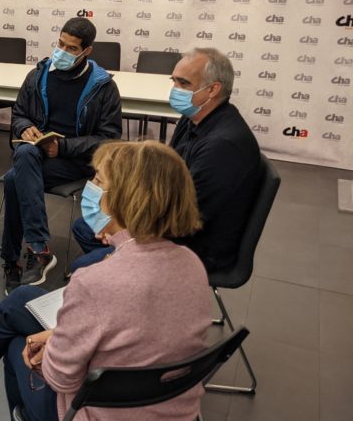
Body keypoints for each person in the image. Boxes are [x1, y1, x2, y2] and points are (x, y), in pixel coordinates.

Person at [0, 140, 211, 421]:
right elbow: (140, 331)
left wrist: (52, 348)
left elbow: (60, 379)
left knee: (16, 344)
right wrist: (62, 337)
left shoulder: (96, 282)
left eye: (98, 180)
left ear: (125, 199)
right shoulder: (192, 265)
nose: (90, 188)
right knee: (23, 299)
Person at [71, 48, 261, 274]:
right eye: (174, 81)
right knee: (86, 226)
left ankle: (134, 278)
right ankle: (128, 278)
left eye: (184, 83)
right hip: (177, 221)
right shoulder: (194, 119)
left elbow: (186, 217)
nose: (175, 90)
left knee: (81, 265)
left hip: (197, 247)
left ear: (213, 89)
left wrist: (124, 230)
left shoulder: (223, 146)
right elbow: (165, 179)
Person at [1, 17, 122, 294]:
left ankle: (16, 258)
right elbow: (19, 114)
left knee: (14, 179)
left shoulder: (103, 86)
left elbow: (109, 139)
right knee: (25, 154)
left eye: (71, 48)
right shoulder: (38, 75)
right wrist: (25, 128)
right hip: (36, 155)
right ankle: (37, 250)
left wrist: (63, 147)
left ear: (87, 51)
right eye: (60, 44)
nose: (62, 52)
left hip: (75, 162)